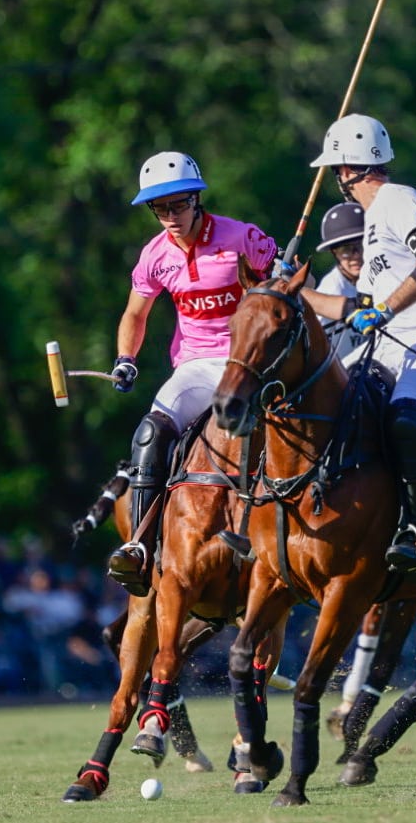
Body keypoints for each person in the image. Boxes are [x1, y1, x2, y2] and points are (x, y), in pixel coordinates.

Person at [294, 114, 416, 575]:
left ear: (348, 169)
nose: (338, 180)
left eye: (337, 170)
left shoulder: (398, 200)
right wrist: (291, 290)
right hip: (387, 341)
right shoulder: (373, 221)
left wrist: (387, 310)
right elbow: (358, 304)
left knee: (406, 419)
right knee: (319, 398)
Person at [104, 151, 278, 595]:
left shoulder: (242, 237)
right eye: (160, 208)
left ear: (197, 200)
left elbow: (282, 287)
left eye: (178, 205)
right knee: (149, 433)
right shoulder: (155, 255)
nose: (170, 216)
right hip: (198, 365)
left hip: (252, 362)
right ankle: (140, 547)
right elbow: (135, 314)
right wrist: (126, 358)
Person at [313, 201, 368, 361]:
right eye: (345, 250)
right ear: (334, 253)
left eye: (361, 246)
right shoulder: (332, 289)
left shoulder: (382, 279)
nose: (356, 255)